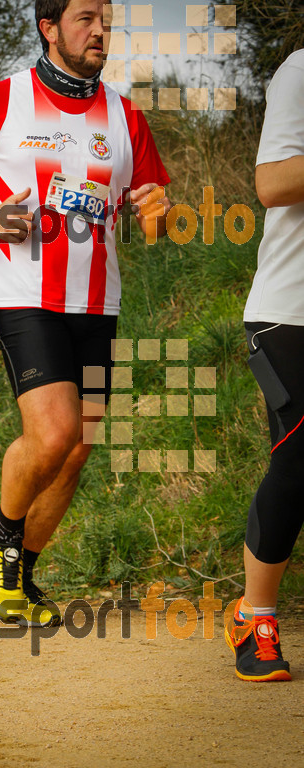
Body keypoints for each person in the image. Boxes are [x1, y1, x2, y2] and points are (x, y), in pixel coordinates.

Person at [0, 0, 171, 627]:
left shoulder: (125, 116)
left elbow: (151, 221)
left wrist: (158, 209)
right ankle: (0, 540)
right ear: (49, 27)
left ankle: (19, 575)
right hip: (23, 290)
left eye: (108, 22)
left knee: (79, 444)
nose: (100, 32)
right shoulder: (2, 100)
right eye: (87, 18)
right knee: (54, 430)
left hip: (97, 301)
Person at [225, 48, 304, 681]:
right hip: (291, 311)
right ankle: (256, 617)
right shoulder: (300, 71)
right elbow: (272, 184)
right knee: (300, 460)